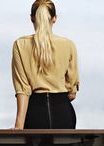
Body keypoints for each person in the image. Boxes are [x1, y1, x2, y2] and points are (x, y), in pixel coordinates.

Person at [12, 0, 79, 129]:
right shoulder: (68, 45)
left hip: (34, 113)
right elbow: (71, 93)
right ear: (54, 18)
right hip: (63, 113)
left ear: (32, 18)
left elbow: (22, 90)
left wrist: (19, 126)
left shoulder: (20, 45)